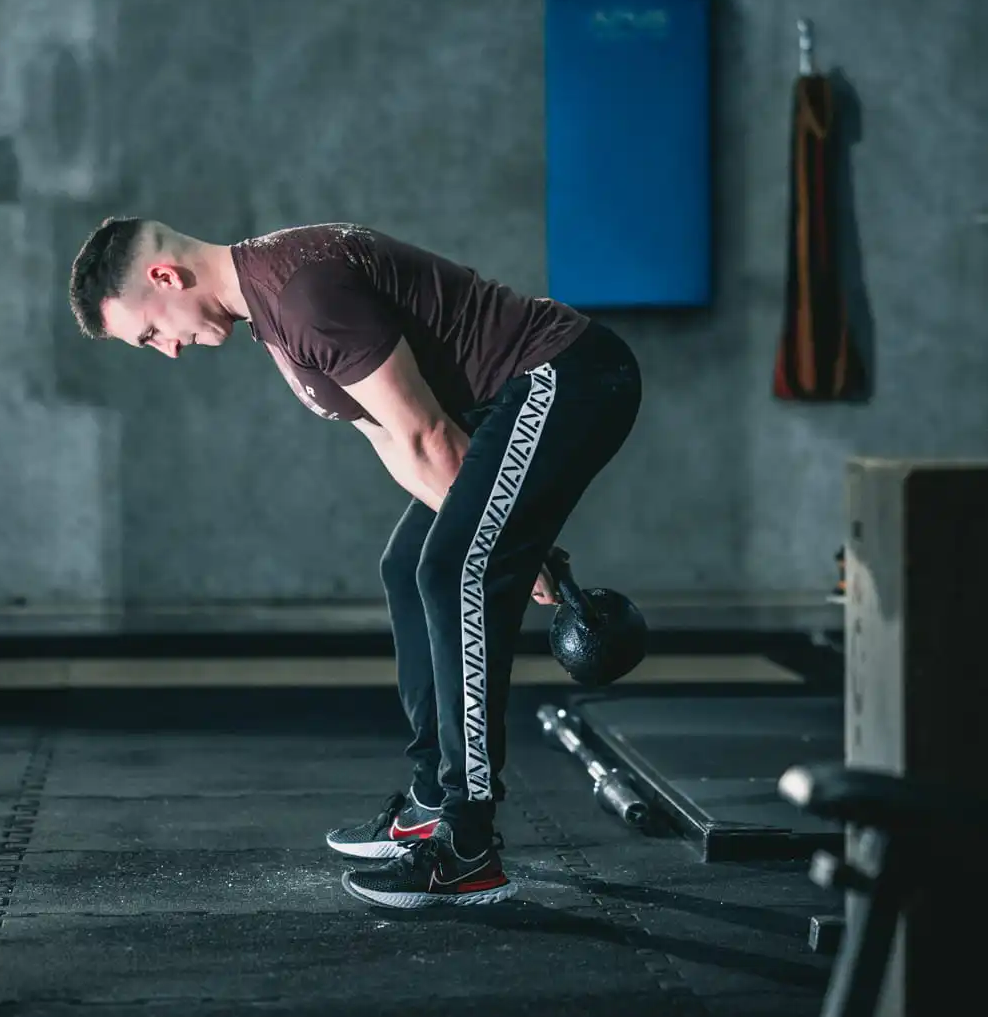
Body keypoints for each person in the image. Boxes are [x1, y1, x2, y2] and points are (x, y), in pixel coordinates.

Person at [69, 218, 642, 908]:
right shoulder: (269, 312)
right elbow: (390, 441)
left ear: (163, 277)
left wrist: (500, 547)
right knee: (409, 567)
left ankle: (465, 844)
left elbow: (426, 433)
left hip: (567, 375)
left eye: (151, 332)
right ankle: (432, 795)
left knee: (452, 570)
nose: (167, 351)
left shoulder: (303, 292)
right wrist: (506, 537)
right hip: (500, 408)